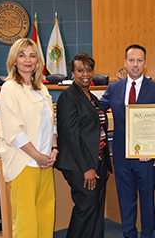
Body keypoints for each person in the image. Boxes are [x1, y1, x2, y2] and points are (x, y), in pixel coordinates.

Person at [100, 44, 155, 238]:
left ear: (145, 63)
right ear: (125, 62)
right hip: (121, 155)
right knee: (126, 201)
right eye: (131, 60)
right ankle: (129, 235)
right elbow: (98, 110)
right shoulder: (114, 88)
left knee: (147, 201)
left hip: (147, 156)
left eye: (139, 60)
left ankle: (147, 235)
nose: (135, 65)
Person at [0, 38, 57, 238]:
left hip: (45, 163)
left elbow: (51, 123)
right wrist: (37, 156)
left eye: (32, 55)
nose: (27, 60)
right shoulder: (10, 88)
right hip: (25, 163)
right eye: (22, 55)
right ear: (14, 60)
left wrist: (53, 150)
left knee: (46, 216)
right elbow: (14, 132)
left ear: (38, 61)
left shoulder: (42, 89)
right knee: (26, 222)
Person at [55, 53, 113, 238]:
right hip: (81, 165)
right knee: (86, 207)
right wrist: (87, 168)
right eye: (80, 70)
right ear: (72, 72)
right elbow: (71, 136)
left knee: (95, 207)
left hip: (98, 161)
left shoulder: (91, 96)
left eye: (89, 70)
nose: (85, 74)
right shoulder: (68, 96)